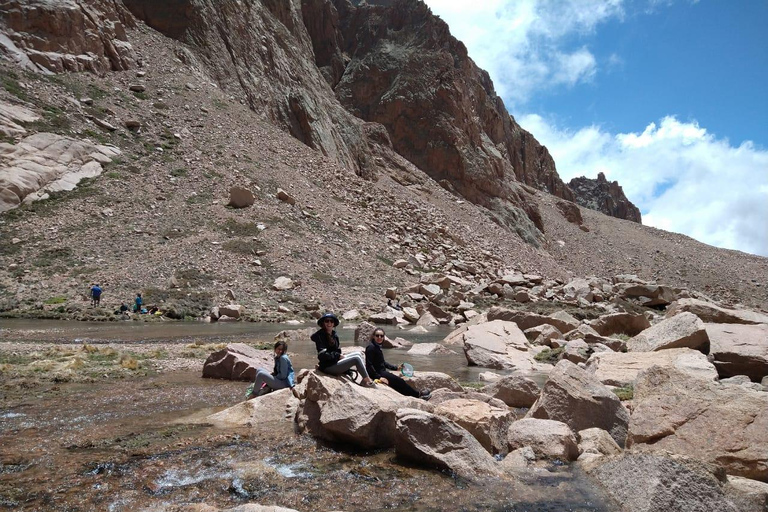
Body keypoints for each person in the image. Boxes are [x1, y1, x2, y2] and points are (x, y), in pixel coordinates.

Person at [311, 312, 374, 387]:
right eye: (327, 321)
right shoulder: (320, 336)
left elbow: (334, 350)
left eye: (331, 321)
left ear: (334, 323)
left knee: (358, 354)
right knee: (356, 358)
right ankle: (367, 380)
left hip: (333, 362)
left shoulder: (333, 334)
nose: (329, 323)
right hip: (327, 366)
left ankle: (364, 378)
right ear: (323, 323)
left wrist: (338, 356)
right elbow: (322, 355)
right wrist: (338, 356)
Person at [365, 328, 430, 399]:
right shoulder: (371, 347)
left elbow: (382, 362)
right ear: (373, 336)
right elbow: (369, 365)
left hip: (381, 372)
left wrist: (396, 368)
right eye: (377, 335)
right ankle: (418, 395)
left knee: (397, 383)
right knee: (399, 381)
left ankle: (414, 395)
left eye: (381, 336)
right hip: (378, 373)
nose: (379, 337)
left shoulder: (377, 346)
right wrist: (379, 377)